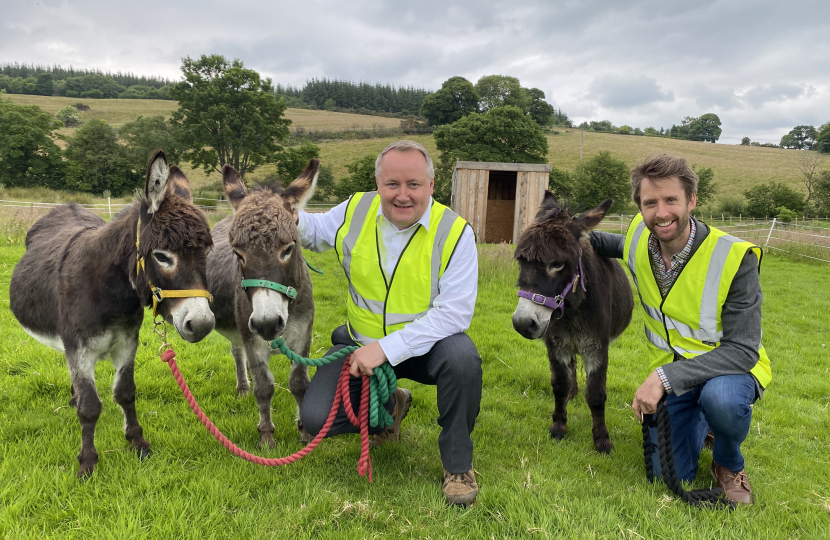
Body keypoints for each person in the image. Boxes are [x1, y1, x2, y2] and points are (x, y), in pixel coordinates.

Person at [297, 140, 482, 506]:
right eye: (392, 184)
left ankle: (458, 466)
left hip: (428, 351)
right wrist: (274, 209)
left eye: (413, 184)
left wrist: (386, 349)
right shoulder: (354, 209)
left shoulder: (456, 232)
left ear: (431, 185)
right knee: (317, 419)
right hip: (360, 346)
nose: (402, 195)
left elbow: (455, 313)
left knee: (463, 358)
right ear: (377, 183)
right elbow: (311, 231)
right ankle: (392, 405)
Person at [590, 154, 771, 505]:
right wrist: (558, 232)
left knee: (721, 400)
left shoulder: (736, 257)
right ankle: (702, 422)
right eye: (650, 203)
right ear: (640, 208)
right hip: (677, 374)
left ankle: (729, 462)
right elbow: (605, 243)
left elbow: (743, 349)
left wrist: (662, 378)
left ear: (691, 200)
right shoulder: (637, 242)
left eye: (671, 199)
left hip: (728, 369)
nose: (661, 213)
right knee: (667, 474)